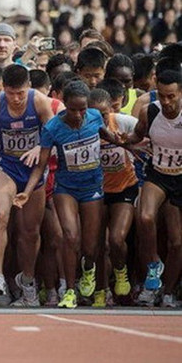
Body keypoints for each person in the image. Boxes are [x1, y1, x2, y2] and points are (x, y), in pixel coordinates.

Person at [14, 81, 116, 308]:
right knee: (70, 237)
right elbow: (40, 166)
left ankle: (88, 269)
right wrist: (27, 193)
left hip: (92, 187)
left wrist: (128, 143)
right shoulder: (53, 128)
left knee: (90, 247)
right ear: (64, 106)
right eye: (73, 110)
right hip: (66, 189)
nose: (79, 115)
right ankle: (69, 290)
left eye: (82, 109)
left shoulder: (95, 117)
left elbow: (109, 136)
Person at [0, 65, 55, 305]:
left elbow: (54, 133)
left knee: (29, 232)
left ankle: (28, 282)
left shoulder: (40, 102)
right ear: (4, 90)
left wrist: (38, 147)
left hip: (35, 170)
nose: (16, 99)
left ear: (28, 88)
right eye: (11, 93)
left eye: (21, 93)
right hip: (8, 167)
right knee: (0, 215)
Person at [118, 68, 182, 307]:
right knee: (145, 217)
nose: (166, 102)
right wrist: (126, 140)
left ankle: (167, 291)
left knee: (177, 242)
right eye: (162, 95)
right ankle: (154, 265)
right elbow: (137, 135)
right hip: (158, 174)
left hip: (180, 179)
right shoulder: (150, 111)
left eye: (172, 96)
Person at [89, 85, 138, 305]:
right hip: (96, 192)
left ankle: (120, 271)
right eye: (94, 114)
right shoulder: (84, 128)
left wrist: (130, 142)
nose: (99, 119)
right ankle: (100, 289)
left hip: (124, 188)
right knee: (99, 244)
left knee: (117, 239)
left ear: (111, 109)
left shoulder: (124, 122)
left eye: (103, 114)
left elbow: (145, 137)